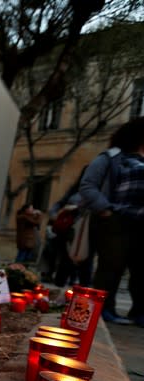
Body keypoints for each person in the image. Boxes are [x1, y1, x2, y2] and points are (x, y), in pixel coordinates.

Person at [80, 117, 144, 326]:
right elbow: (88, 185)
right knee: (111, 267)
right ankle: (104, 309)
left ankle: (140, 313)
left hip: (141, 224)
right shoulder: (110, 158)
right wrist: (106, 210)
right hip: (116, 222)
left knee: (140, 270)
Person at [46, 173, 93, 287]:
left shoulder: (98, 191)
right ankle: (58, 290)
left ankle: (82, 291)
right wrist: (55, 214)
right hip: (67, 229)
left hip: (86, 230)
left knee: (85, 261)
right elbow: (59, 204)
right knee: (65, 260)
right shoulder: (74, 191)